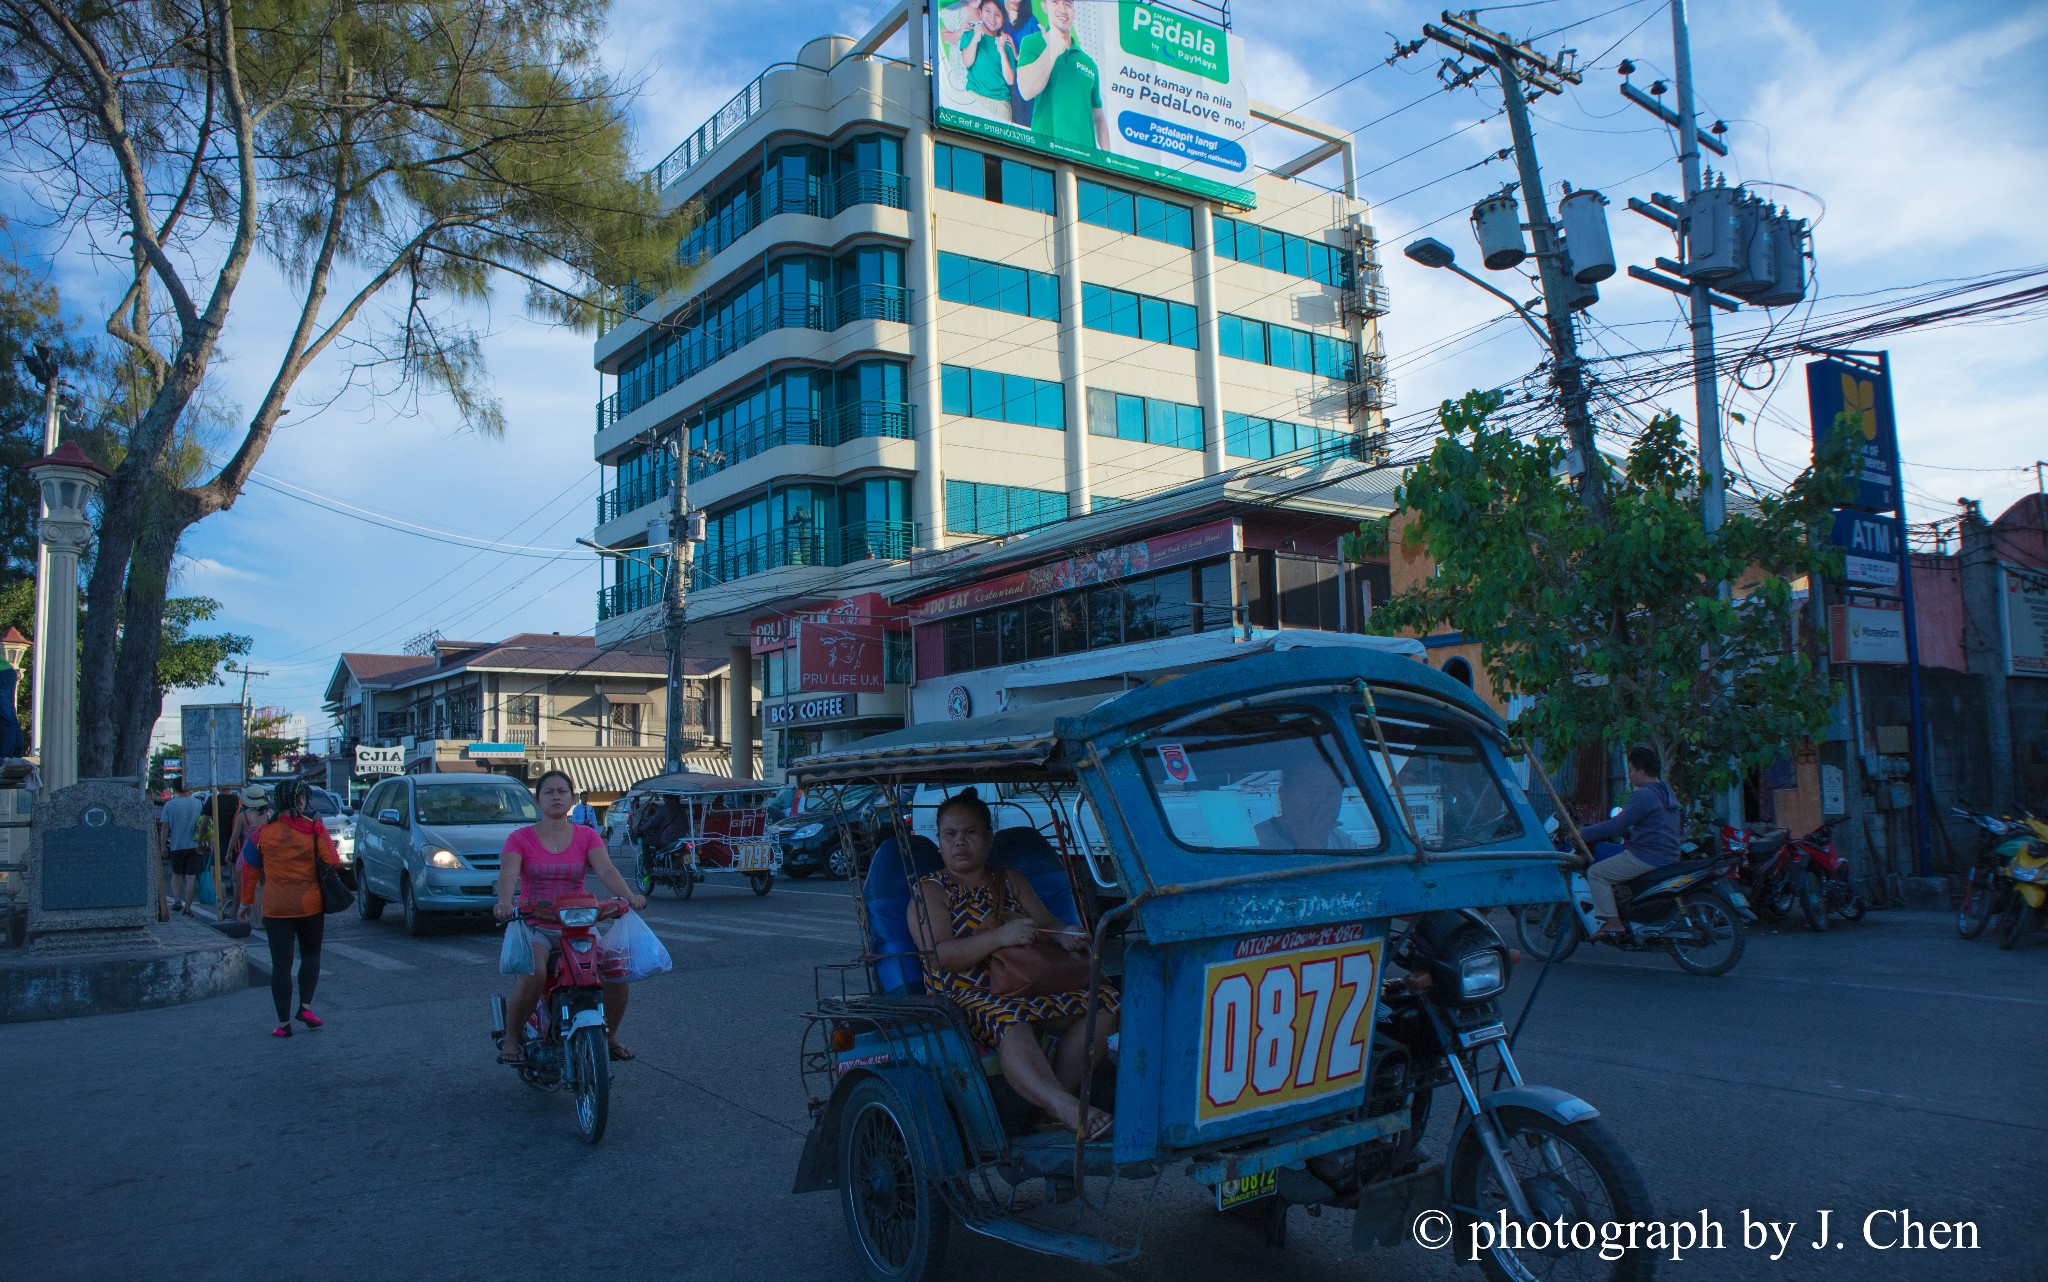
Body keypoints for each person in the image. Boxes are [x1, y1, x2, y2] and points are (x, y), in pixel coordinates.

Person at [907, 789, 1118, 1139]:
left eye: (970, 833)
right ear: (940, 842)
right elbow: (939, 956)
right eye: (950, 835)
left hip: (1026, 983)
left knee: (1106, 1004)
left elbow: (1050, 925)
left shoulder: (1009, 880)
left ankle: (1054, 1105)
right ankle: (1067, 1108)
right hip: (965, 993)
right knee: (1010, 1018)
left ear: (989, 839)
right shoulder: (931, 890)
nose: (960, 842)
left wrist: (1067, 934)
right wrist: (999, 937)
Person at [494, 769, 647, 1065]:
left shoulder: (587, 836)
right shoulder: (519, 838)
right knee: (534, 974)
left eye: (562, 792)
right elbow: (508, 874)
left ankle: (610, 1035)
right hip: (535, 923)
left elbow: (605, 870)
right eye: (548, 792)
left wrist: (629, 897)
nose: (555, 797)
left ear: (572, 799)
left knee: (616, 975)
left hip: (578, 924)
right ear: (537, 800)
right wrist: (503, 902)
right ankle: (512, 1037)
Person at [240, 780, 341, 1038]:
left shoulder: (262, 834)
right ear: (300, 801)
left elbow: (249, 870)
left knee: (281, 965)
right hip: (310, 905)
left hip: (276, 908)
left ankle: (284, 1025)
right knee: (310, 956)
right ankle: (305, 1007)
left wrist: (245, 902)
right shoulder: (313, 828)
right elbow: (333, 860)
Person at [1577, 746, 1683, 939]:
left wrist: (1583, 833)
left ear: (1642, 772)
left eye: (1632, 770)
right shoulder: (1666, 791)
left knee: (1597, 873)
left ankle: (1613, 921)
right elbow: (1649, 824)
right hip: (1669, 854)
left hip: (1647, 856)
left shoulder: (1644, 795)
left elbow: (1616, 825)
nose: (1632, 775)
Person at [1016, 0, 1111, 155]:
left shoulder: (1088, 63)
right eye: (1055, 2)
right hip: (1045, 155)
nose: (1062, 9)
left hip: (1085, 162)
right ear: (1044, 6)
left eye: (1068, 4)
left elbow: (1098, 115)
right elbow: (1026, 91)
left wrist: (1108, 159)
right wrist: (1051, 51)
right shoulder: (1032, 43)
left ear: (1074, 12)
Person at [1255, 768, 1358, 851]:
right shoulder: (1255, 844)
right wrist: (1310, 848)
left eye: (1332, 792)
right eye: (1312, 791)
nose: (1323, 803)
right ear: (1284, 796)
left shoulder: (1343, 842)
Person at [226, 784, 273, 923]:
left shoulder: (243, 816)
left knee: (251, 886)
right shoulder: (270, 814)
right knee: (264, 886)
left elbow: (235, 837)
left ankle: (257, 920)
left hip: (248, 852)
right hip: (266, 851)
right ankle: (265, 916)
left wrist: (229, 852)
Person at [957, 0, 1016, 111]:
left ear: (1003, 20)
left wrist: (1002, 50)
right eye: (988, 11)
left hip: (1001, 103)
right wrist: (975, 38)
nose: (992, 18)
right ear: (980, 13)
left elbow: (1010, 80)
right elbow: (967, 62)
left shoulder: (1006, 45)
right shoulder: (969, 35)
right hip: (975, 96)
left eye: (998, 14)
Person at [160, 783, 205, 914]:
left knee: (177, 874)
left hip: (176, 845)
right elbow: (204, 824)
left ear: (175, 789)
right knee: (191, 877)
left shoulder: (170, 805)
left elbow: (164, 827)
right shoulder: (198, 803)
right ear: (189, 788)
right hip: (195, 845)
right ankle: (188, 908)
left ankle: (177, 900)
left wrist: (163, 846)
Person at [1000, 0, 1040, 125]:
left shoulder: (1031, 23)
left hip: (1023, 91)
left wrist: (1018, 56)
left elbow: (1042, 58)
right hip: (997, 88)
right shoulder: (994, 9)